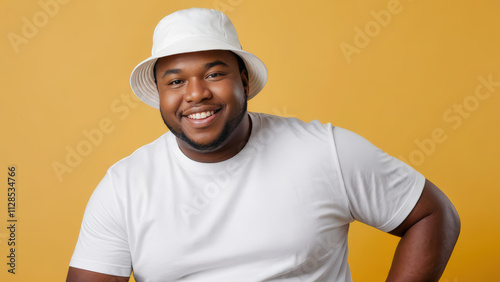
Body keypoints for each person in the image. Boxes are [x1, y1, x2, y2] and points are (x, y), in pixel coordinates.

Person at [66, 8, 460, 282]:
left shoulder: (325, 151)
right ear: (161, 94)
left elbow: (433, 214)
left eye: (214, 73)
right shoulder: (124, 186)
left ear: (244, 81)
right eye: (176, 81)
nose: (196, 93)